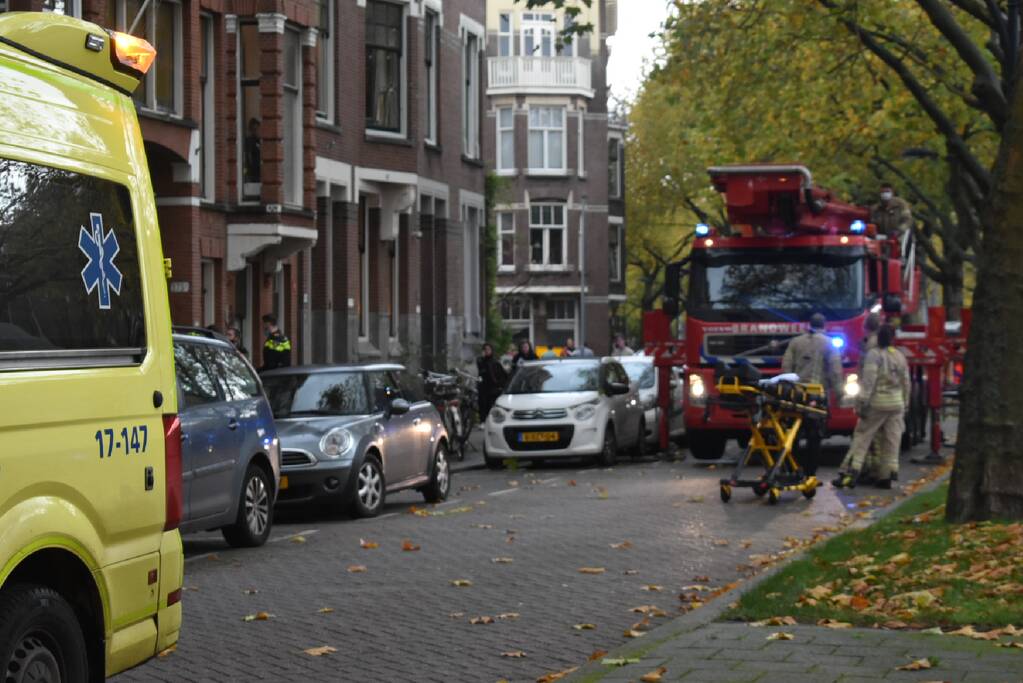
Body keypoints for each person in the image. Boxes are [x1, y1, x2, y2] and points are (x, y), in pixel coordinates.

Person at [833, 324, 911, 489]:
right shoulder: (899, 355)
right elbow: (906, 382)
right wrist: (905, 403)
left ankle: (850, 472)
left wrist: (861, 404)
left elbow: (869, 382)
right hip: (896, 404)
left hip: (877, 403)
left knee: (862, 436)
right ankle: (887, 475)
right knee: (892, 441)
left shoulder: (874, 355)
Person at [781, 313, 843, 477]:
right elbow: (835, 372)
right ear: (825, 325)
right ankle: (810, 473)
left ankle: (790, 468)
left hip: (796, 395)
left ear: (809, 325)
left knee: (792, 433)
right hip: (816, 396)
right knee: (814, 437)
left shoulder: (795, 342)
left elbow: (786, 368)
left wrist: (787, 391)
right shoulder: (829, 344)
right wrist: (839, 395)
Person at [476, 343, 507, 421]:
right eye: (485, 350)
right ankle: (483, 421)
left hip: (493, 388)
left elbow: (502, 376)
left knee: (491, 405)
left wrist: (499, 385)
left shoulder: (495, 362)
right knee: (482, 404)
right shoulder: (481, 361)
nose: (486, 351)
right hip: (483, 387)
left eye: (488, 349)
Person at [243, 118, 262, 185]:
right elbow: (248, 157)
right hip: (252, 175)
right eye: (255, 129)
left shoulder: (260, 141)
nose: (258, 131)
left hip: (259, 174)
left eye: (258, 129)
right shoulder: (249, 141)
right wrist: (247, 174)